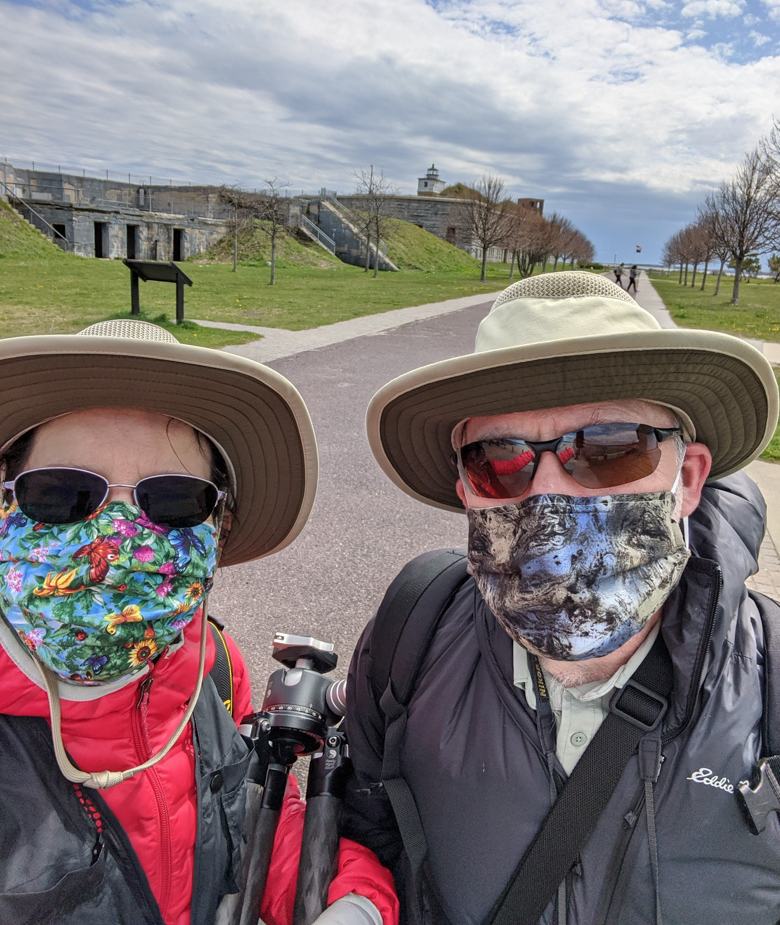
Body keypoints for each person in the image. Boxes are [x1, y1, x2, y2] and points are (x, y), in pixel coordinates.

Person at [341, 272, 780, 924]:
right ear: (466, 488)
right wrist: (359, 902)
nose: (550, 500)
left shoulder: (770, 686)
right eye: (500, 457)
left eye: (608, 450)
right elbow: (368, 822)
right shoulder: (411, 637)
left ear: (686, 480)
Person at [0, 319, 397, 925]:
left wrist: (352, 898)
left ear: (219, 529)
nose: (121, 537)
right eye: (64, 494)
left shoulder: (210, 665)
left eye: (173, 501)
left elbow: (244, 806)